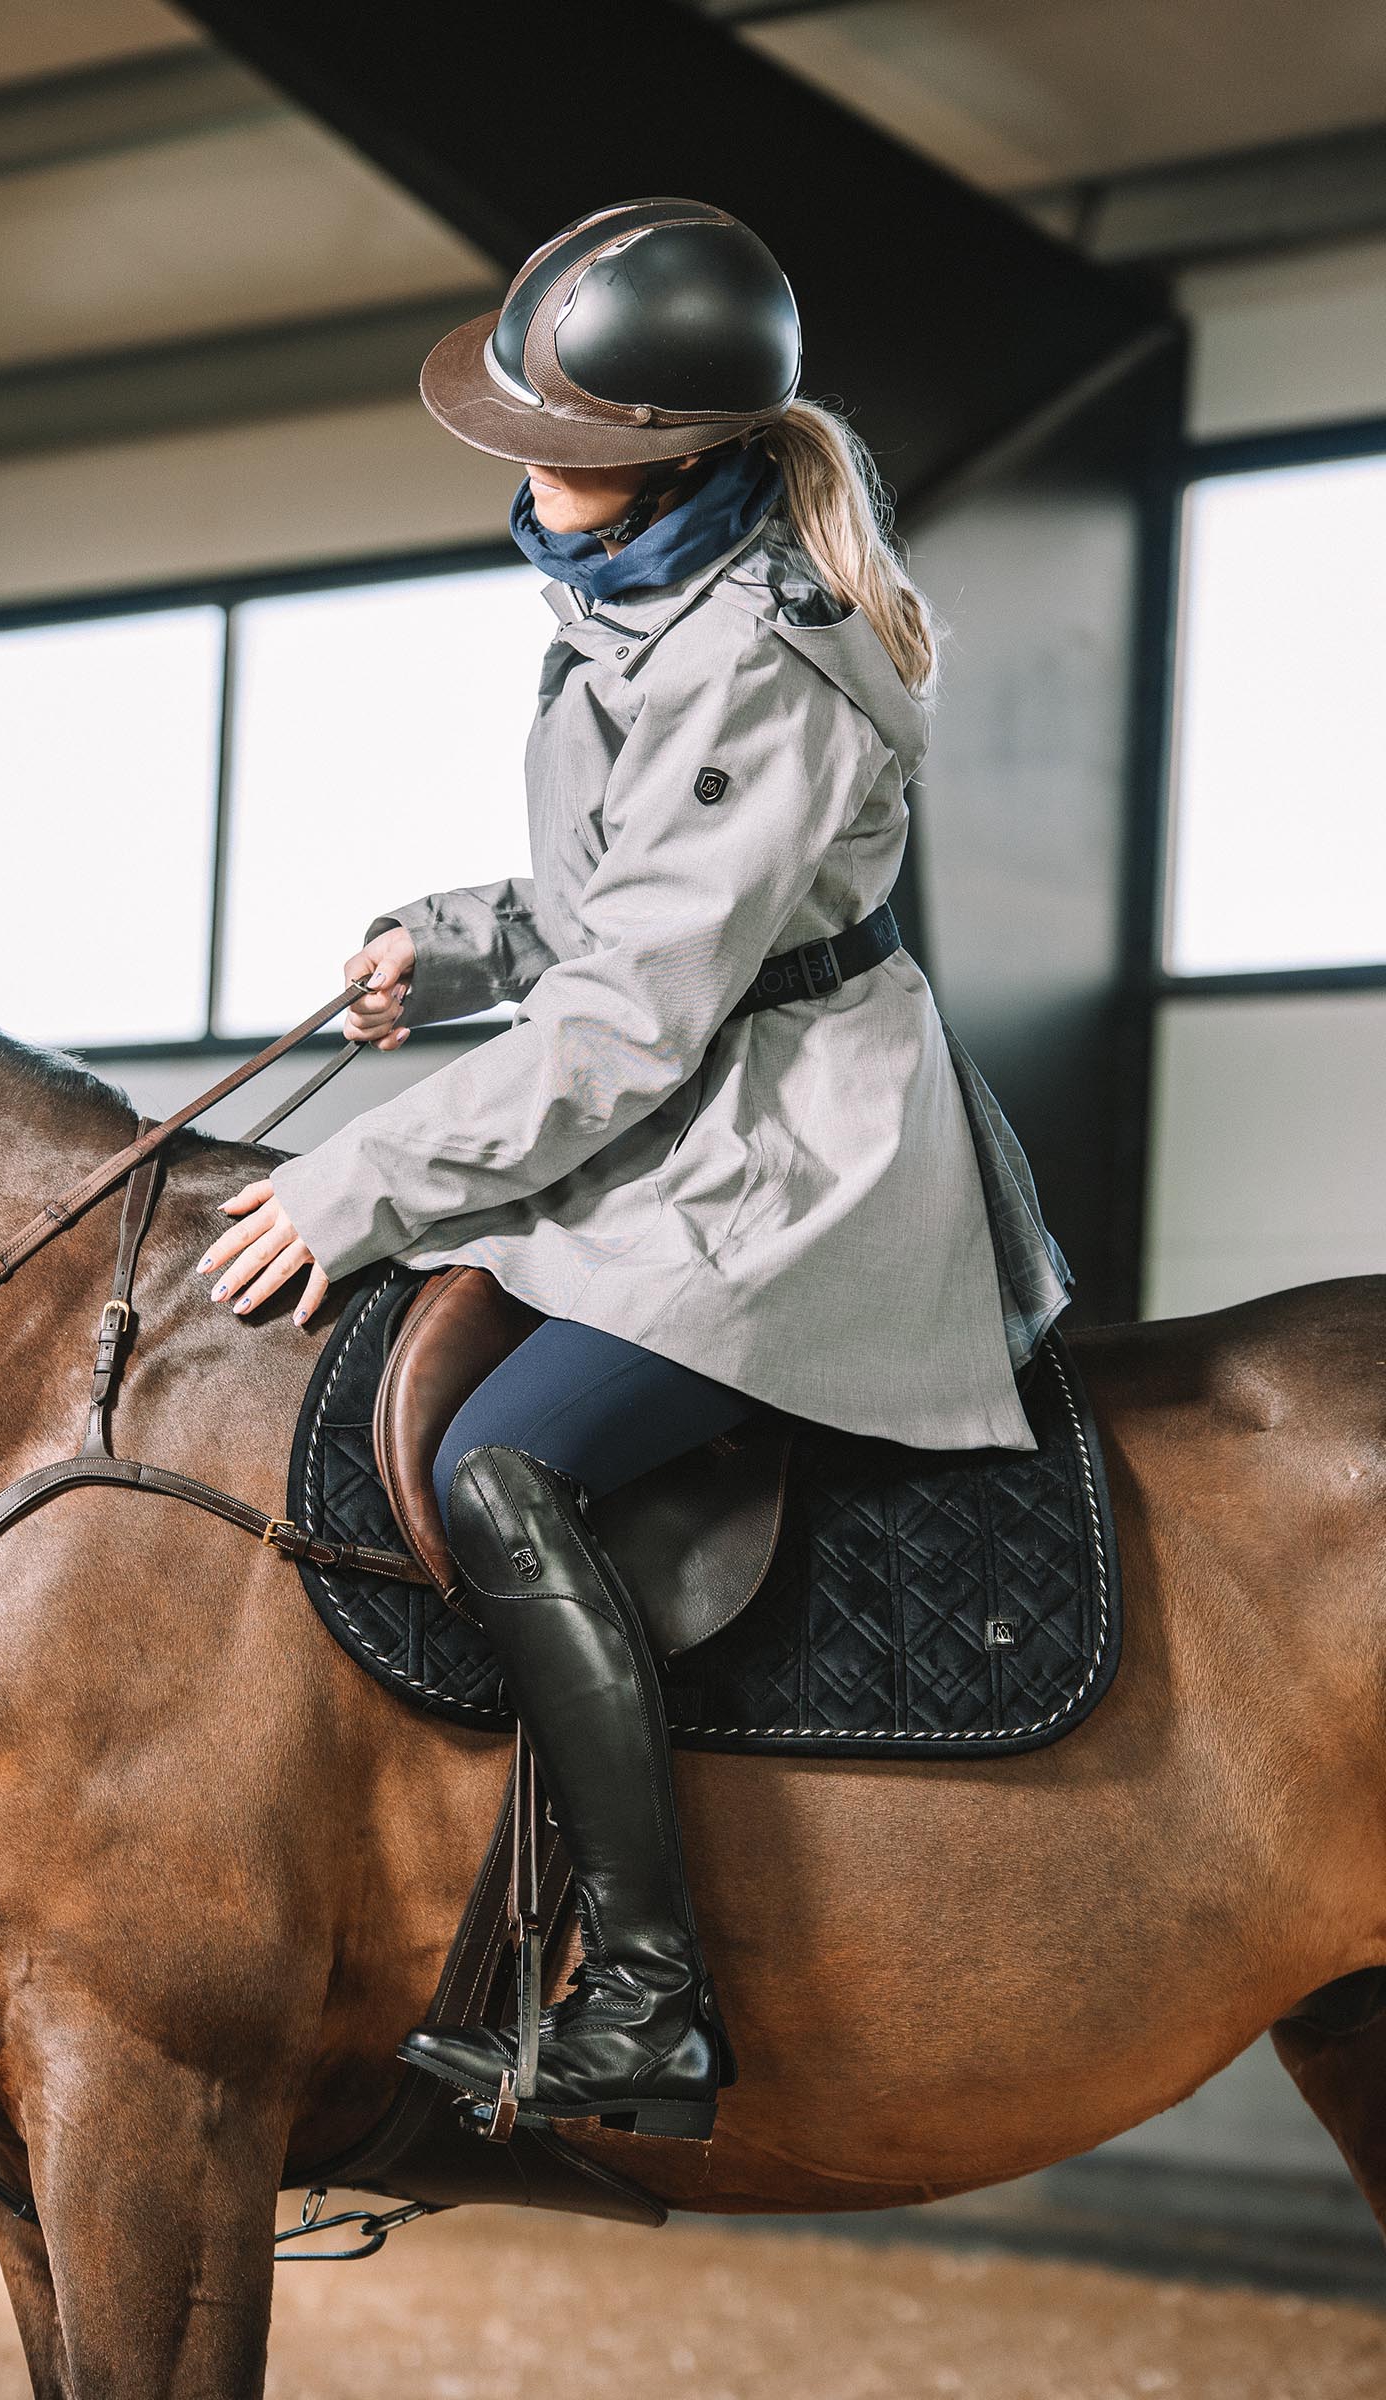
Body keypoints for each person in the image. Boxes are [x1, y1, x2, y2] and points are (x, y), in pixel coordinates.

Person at [193, 197, 1073, 2141]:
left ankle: (652, 2001)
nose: (523, 472)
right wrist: (441, 946)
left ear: (668, 456)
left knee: (508, 1464)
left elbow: (624, 1023)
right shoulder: (641, 603)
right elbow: (614, 903)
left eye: (557, 443)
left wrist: (350, 1183)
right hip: (690, 1105)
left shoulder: (753, 658)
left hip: (789, 1157)